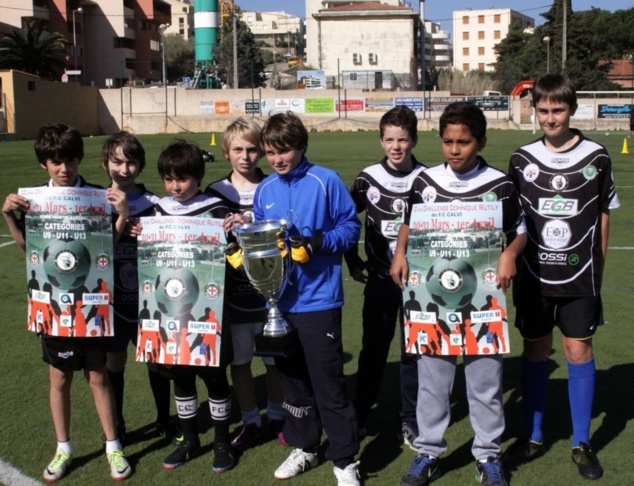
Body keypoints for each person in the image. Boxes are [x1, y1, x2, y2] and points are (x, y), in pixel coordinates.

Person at [390, 102, 526, 486]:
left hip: (483, 297)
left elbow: (519, 230)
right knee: (432, 380)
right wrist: (400, 253)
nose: (454, 150)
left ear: (480, 142)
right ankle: (429, 450)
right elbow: (408, 223)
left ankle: (488, 454)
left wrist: (509, 254)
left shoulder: (499, 185)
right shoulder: (425, 181)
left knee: (486, 381)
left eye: (463, 142)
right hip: (432, 297)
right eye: (447, 141)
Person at [230, 112, 362, 485]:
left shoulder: (326, 181)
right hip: (279, 304)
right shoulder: (265, 190)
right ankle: (305, 446)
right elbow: (262, 241)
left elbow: (351, 227)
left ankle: (344, 459)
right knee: (292, 383)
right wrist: (243, 242)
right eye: (271, 152)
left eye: (284, 151)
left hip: (319, 301)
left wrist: (320, 241)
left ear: (301, 146)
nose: (277, 159)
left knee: (328, 383)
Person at [2, 123, 132, 482]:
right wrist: (9, 215)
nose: (64, 168)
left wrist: (122, 215)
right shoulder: (34, 201)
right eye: (56, 162)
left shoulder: (97, 196)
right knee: (59, 377)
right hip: (52, 304)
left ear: (79, 159)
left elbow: (106, 248)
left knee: (98, 375)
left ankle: (113, 446)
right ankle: (63, 447)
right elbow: (28, 248)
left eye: (70, 160)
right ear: (44, 163)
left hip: (91, 304)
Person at [505, 73, 620, 481]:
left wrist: (597, 271)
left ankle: (582, 442)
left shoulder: (596, 156)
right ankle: (532, 436)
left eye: (558, 110)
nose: (550, 118)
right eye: (543, 110)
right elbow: (511, 220)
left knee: (577, 351)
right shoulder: (521, 159)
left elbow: (603, 216)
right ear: (534, 111)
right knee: (536, 349)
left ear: (572, 109)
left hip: (579, 278)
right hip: (533, 276)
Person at [148, 139, 235, 473]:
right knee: (181, 377)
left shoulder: (216, 209)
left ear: (198, 176)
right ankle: (189, 439)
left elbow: (233, 252)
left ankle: (222, 441)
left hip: (209, 309)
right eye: (169, 179)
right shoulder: (159, 210)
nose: (175, 186)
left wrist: (235, 228)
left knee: (214, 375)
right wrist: (140, 231)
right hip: (171, 310)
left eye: (182, 179)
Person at [344, 105, 425, 447]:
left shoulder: (427, 178)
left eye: (402, 140)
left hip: (417, 283)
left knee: (413, 352)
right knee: (373, 349)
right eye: (389, 139)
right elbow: (346, 219)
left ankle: (409, 418)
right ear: (381, 140)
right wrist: (352, 259)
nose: (396, 147)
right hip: (379, 279)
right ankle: (361, 413)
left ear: (414, 140)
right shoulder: (368, 178)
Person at [204, 118, 287, 451]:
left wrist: (253, 221)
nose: (245, 156)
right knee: (240, 362)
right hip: (233, 294)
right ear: (226, 152)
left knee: (274, 361)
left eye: (252, 149)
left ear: (262, 152)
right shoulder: (214, 193)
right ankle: (251, 420)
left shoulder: (274, 186)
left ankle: (278, 416)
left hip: (272, 292)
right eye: (238, 149)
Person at [101, 131, 180, 445]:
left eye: (131, 162)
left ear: (141, 165)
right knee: (114, 361)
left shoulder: (156, 204)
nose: (124, 169)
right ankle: (117, 423)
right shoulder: (95, 202)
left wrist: (152, 234)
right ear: (105, 163)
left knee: (156, 359)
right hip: (111, 300)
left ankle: (164, 418)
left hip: (149, 301)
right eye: (117, 162)